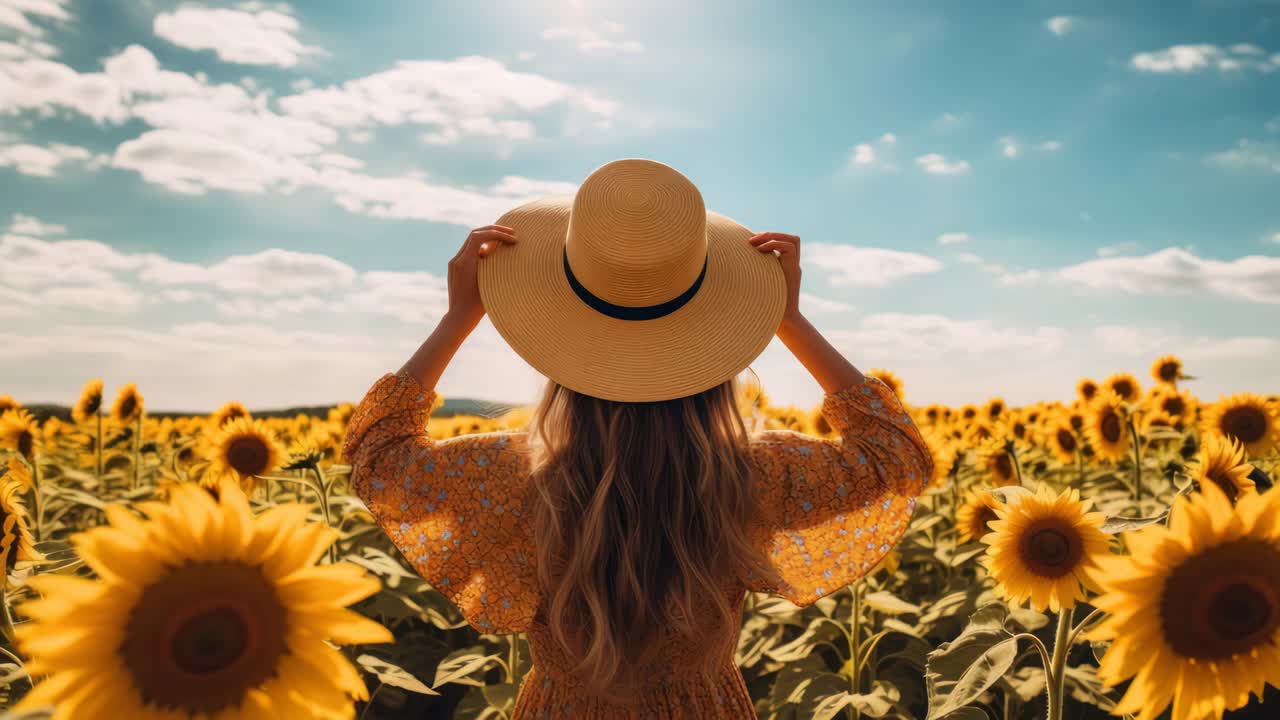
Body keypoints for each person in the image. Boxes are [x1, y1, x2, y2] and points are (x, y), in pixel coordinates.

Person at [342, 158, 934, 718]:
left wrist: (459, 316)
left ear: (561, 350)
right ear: (716, 345)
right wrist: (790, 318)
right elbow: (897, 456)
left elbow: (378, 454)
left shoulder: (515, 477)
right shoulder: (750, 475)